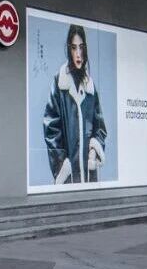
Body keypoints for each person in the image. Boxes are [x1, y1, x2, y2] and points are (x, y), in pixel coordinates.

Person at [43, 24, 107, 184]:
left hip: (89, 175)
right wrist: (62, 165)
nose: (78, 53)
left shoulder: (90, 88)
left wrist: (94, 149)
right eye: (74, 48)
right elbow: (51, 128)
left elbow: (100, 128)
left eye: (81, 47)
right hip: (69, 176)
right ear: (69, 49)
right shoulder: (60, 84)